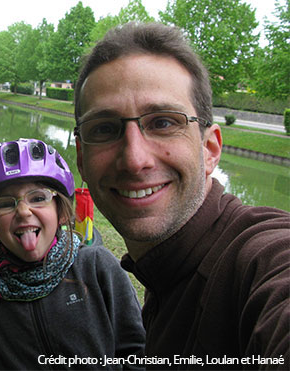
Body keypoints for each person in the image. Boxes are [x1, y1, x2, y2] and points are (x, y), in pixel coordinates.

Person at [74, 21, 290, 366]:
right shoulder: (162, 276)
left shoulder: (262, 257)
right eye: (104, 128)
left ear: (209, 149)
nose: (134, 159)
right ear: (81, 159)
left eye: (163, 122)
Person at [0, 138, 146, 369]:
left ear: (61, 212)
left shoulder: (97, 267)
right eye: (4, 204)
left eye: (38, 198)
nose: (23, 211)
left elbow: (137, 354)